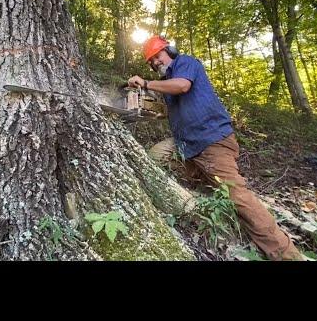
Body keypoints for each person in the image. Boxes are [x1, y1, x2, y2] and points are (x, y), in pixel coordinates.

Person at [128, 35, 303, 261]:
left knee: (239, 197)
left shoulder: (185, 63)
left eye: (157, 56)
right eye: (151, 61)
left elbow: (182, 86)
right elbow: (170, 108)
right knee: (154, 157)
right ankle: (203, 185)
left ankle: (287, 255)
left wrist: (146, 83)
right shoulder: (167, 83)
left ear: (169, 51)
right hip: (187, 145)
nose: (155, 63)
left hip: (210, 141)